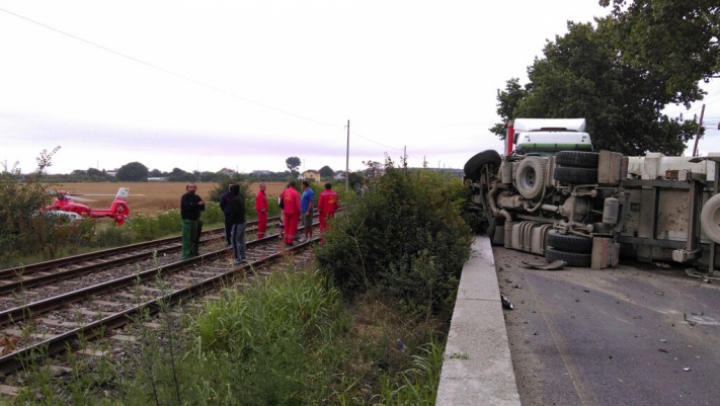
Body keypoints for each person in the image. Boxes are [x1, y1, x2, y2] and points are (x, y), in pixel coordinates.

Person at [181, 183, 205, 259]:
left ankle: (192, 254)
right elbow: (188, 207)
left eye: (194, 187)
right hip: (187, 220)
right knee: (186, 239)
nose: (192, 188)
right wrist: (197, 205)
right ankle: (186, 256)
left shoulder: (197, 197)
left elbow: (203, 207)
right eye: (190, 187)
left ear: (196, 188)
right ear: (187, 188)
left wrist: (194, 205)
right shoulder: (184, 197)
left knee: (193, 239)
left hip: (195, 220)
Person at [229, 184, 246, 265]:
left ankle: (237, 258)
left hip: (237, 223)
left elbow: (234, 212)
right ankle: (243, 257)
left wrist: (231, 221)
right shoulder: (240, 197)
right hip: (243, 221)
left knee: (235, 240)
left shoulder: (234, 199)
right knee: (241, 240)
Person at [280, 181, 301, 246]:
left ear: (289, 185)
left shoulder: (285, 191)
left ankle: (286, 240)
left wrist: (283, 209)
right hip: (293, 212)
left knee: (286, 226)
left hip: (286, 211)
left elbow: (281, 201)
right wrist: (299, 212)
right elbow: (297, 204)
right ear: (295, 186)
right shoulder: (295, 193)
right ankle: (290, 241)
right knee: (292, 227)